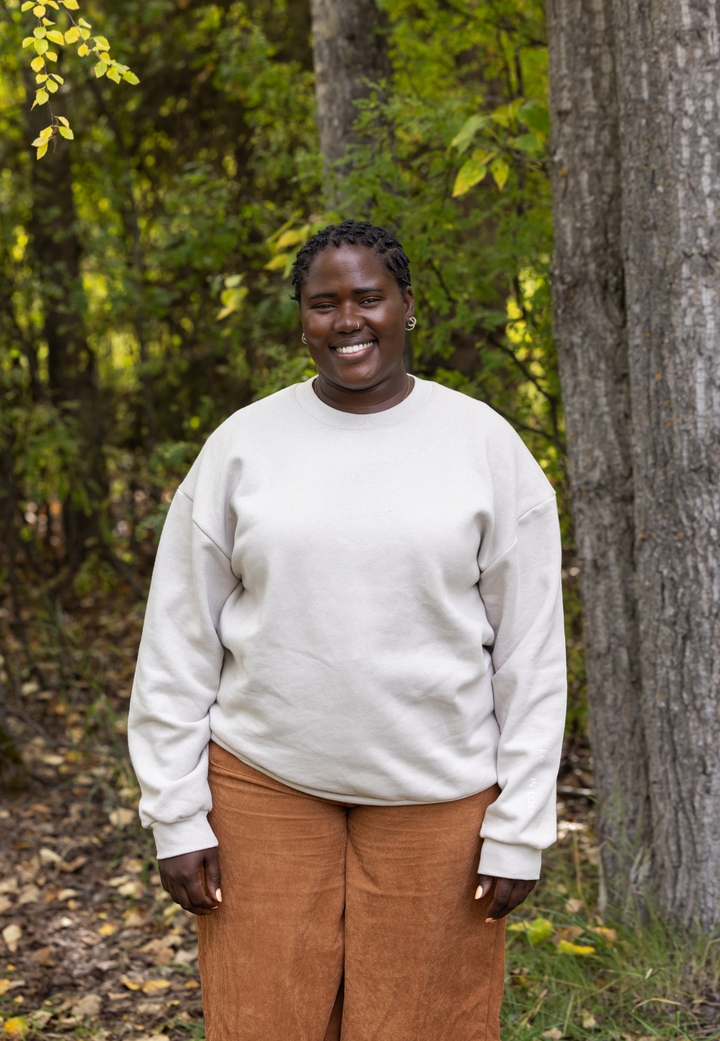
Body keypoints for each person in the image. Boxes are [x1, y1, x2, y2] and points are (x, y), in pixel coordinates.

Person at [128, 219, 567, 1041]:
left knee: (425, 1023)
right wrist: (176, 814)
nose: (348, 320)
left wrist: (519, 829)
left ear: (408, 305)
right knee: (262, 1020)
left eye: (369, 297)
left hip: (439, 795)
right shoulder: (243, 446)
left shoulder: (484, 446)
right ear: (301, 318)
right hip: (265, 784)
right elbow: (178, 638)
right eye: (324, 303)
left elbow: (531, 657)